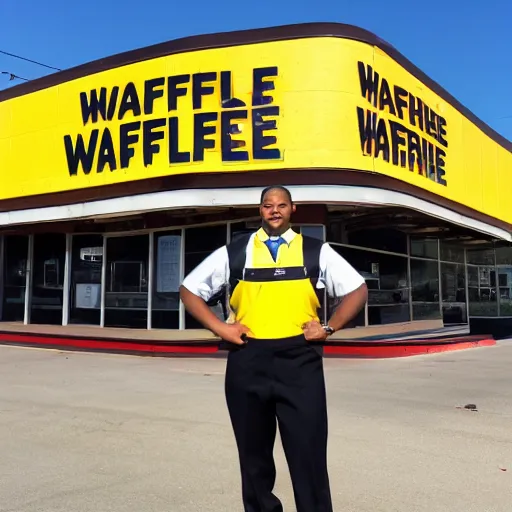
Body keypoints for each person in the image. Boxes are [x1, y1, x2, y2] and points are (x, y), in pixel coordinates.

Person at [180, 186, 368, 512]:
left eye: (281, 205)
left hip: (300, 362)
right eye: (268, 206)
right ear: (261, 210)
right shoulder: (236, 252)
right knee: (254, 461)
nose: (275, 211)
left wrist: (328, 328)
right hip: (247, 360)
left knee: (307, 456)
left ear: (292, 210)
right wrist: (221, 328)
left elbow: (357, 290)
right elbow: (189, 290)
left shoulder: (315, 251)